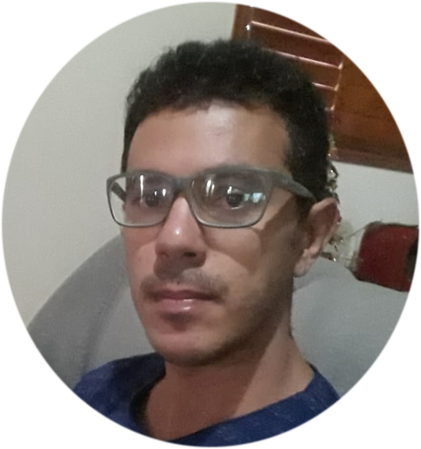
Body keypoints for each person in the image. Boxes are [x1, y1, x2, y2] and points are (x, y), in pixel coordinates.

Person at [71, 39, 342, 448]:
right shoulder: (100, 393)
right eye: (149, 195)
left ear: (311, 235)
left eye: (233, 197)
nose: (174, 238)